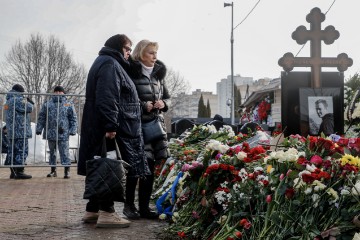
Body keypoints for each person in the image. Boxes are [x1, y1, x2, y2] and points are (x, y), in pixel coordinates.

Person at [77, 34, 149, 228]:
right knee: (109, 168)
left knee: (101, 166)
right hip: (109, 130)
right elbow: (107, 97)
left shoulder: (105, 61)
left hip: (102, 127)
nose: (128, 53)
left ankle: (92, 210)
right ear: (118, 48)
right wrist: (111, 126)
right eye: (127, 49)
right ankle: (107, 213)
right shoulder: (110, 64)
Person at [127, 39, 170, 220]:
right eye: (151, 53)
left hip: (155, 127)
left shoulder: (158, 75)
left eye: (156, 53)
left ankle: (144, 207)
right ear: (141, 53)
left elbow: (168, 98)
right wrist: (143, 105)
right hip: (137, 127)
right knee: (135, 167)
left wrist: (163, 104)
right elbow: (126, 99)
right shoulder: (131, 73)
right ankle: (129, 207)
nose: (155, 57)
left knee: (150, 168)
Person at [36, 86, 77, 179]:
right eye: (56, 91)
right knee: (52, 152)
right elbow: (42, 116)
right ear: (53, 92)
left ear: (63, 93)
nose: (58, 93)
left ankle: (67, 171)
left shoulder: (68, 103)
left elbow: (73, 118)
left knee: (64, 152)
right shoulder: (48, 104)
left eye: (60, 91)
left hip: (63, 133)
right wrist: (39, 128)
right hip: (51, 132)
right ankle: (53, 171)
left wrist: (73, 129)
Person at [4, 84, 33, 179]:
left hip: (11, 131)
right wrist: (29, 101)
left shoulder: (7, 101)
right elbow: (30, 108)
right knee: (21, 151)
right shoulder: (18, 99)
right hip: (20, 131)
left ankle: (13, 172)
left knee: (12, 151)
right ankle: (20, 172)